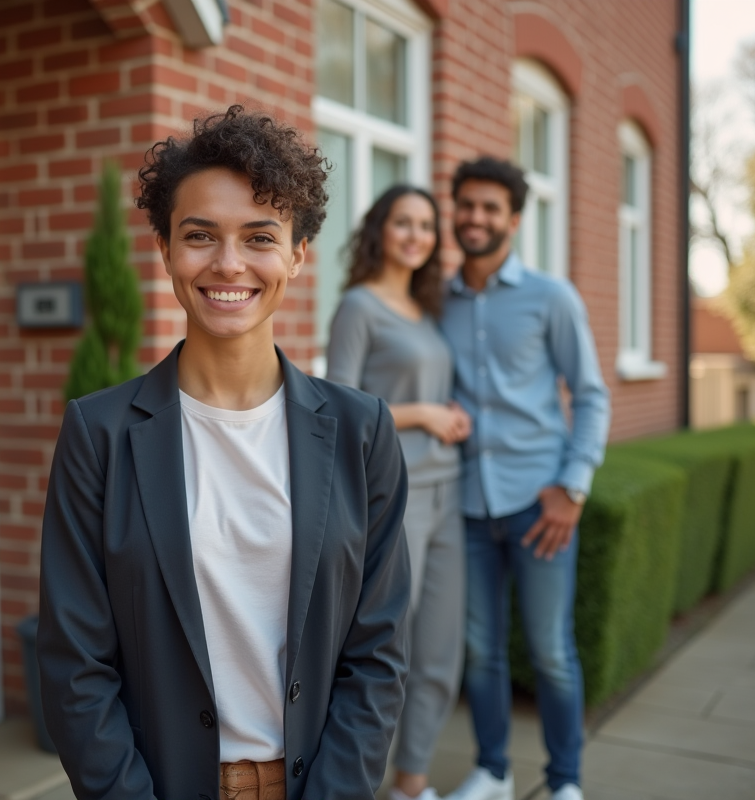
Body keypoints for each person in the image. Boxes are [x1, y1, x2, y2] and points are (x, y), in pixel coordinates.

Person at [36, 105, 413, 800]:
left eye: (260, 237)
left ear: (299, 255)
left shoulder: (363, 432)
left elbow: (379, 655)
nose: (228, 263)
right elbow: (75, 665)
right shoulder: (100, 433)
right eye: (200, 235)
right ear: (168, 250)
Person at [439, 157, 610, 800]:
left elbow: (591, 395)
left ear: (513, 220)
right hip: (467, 506)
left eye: (490, 208)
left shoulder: (551, 297)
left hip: (540, 505)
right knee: (480, 651)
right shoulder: (439, 302)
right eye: (467, 205)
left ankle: (565, 782)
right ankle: (493, 771)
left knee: (551, 652)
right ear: (455, 211)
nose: (476, 218)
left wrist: (574, 486)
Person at [325, 185, 470, 800]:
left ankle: (413, 784)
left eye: (426, 226)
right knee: (388, 656)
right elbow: (334, 405)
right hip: (397, 500)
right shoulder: (359, 306)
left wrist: (450, 415)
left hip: (449, 496)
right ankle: (359, 782)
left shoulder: (427, 311)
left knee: (440, 652)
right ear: (380, 230)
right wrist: (421, 415)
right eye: (403, 222)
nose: (415, 235)